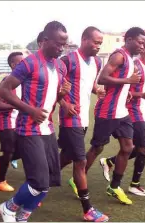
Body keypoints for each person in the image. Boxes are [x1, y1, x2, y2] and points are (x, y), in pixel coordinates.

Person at [0, 21, 70, 222]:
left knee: (49, 181)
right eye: (58, 44)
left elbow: (48, 96)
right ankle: (8, 207)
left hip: (48, 128)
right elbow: (4, 89)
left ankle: (22, 216)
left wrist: (61, 94)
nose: (61, 48)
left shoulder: (59, 65)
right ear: (45, 41)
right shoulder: (29, 63)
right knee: (38, 181)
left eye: (64, 44)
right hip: (29, 128)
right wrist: (30, 110)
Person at [85, 27, 145, 205]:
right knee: (97, 148)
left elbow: (122, 84)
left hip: (122, 112)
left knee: (128, 147)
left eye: (144, 43)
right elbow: (102, 79)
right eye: (140, 42)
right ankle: (78, 177)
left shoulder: (131, 60)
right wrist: (127, 81)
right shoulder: (119, 55)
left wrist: (127, 90)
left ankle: (115, 186)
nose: (142, 46)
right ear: (129, 40)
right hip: (107, 111)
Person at [57, 26, 109, 222]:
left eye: (100, 43)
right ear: (84, 39)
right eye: (95, 42)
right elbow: (54, 87)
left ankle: (38, 183)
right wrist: (64, 103)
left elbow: (89, 84)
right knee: (80, 162)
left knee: (67, 156)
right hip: (70, 119)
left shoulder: (96, 61)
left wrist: (98, 90)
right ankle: (88, 209)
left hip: (84, 118)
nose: (98, 46)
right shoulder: (67, 60)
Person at [100, 35, 145, 197]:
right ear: (144, 49)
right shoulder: (135, 66)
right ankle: (134, 185)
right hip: (132, 111)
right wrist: (143, 94)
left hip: (144, 111)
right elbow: (127, 91)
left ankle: (110, 161)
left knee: (136, 148)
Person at [0, 51, 24, 192]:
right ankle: (1, 181)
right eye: (20, 62)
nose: (24, 64)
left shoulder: (25, 81)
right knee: (9, 151)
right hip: (6, 121)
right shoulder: (7, 81)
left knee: (23, 150)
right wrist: (16, 105)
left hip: (20, 122)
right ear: (13, 64)